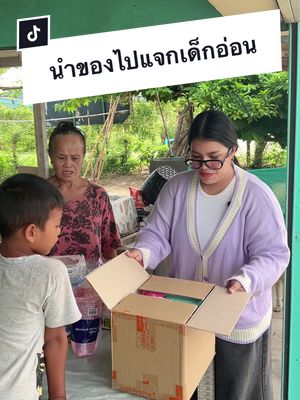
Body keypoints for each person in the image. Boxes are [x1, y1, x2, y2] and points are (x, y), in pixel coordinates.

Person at [127, 109, 290, 400]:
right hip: (185, 314)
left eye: (214, 158)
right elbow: (157, 233)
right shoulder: (177, 189)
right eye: (196, 158)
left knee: (237, 392)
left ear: (233, 150)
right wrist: (142, 253)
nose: (205, 167)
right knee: (187, 389)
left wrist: (247, 279)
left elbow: (273, 254)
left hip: (237, 320)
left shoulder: (255, 196)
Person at [0, 173, 82, 400]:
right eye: (56, 225)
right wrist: (58, 397)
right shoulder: (50, 272)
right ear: (31, 232)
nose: (59, 231)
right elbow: (55, 339)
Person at [47, 121, 121, 268]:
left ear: (83, 156)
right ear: (50, 156)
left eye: (75, 158)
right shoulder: (37, 195)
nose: (68, 164)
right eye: (61, 157)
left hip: (91, 284)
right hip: (50, 283)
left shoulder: (98, 196)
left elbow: (109, 246)